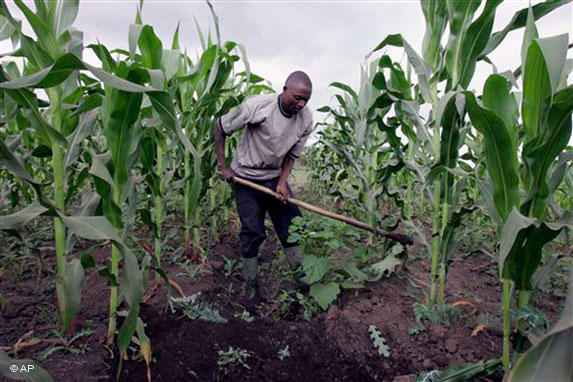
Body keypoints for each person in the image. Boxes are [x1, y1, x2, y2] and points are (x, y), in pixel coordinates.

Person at [213, 71, 313, 300]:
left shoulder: (306, 119)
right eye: (298, 97)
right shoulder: (257, 107)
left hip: (275, 177)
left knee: (293, 226)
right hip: (246, 178)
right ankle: (251, 287)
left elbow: (292, 155)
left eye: (306, 100)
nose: (301, 103)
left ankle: (303, 283)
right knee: (252, 232)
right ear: (285, 89)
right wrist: (223, 166)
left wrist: (282, 183)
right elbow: (220, 127)